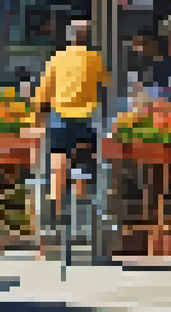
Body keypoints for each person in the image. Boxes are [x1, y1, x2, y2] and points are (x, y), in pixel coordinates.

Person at [32, 20, 106, 254]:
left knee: (58, 155)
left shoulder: (57, 58)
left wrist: (36, 116)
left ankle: (56, 203)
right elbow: (106, 83)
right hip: (85, 118)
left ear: (69, 37)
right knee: (85, 156)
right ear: (87, 37)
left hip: (60, 117)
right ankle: (81, 202)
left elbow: (43, 92)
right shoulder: (94, 59)